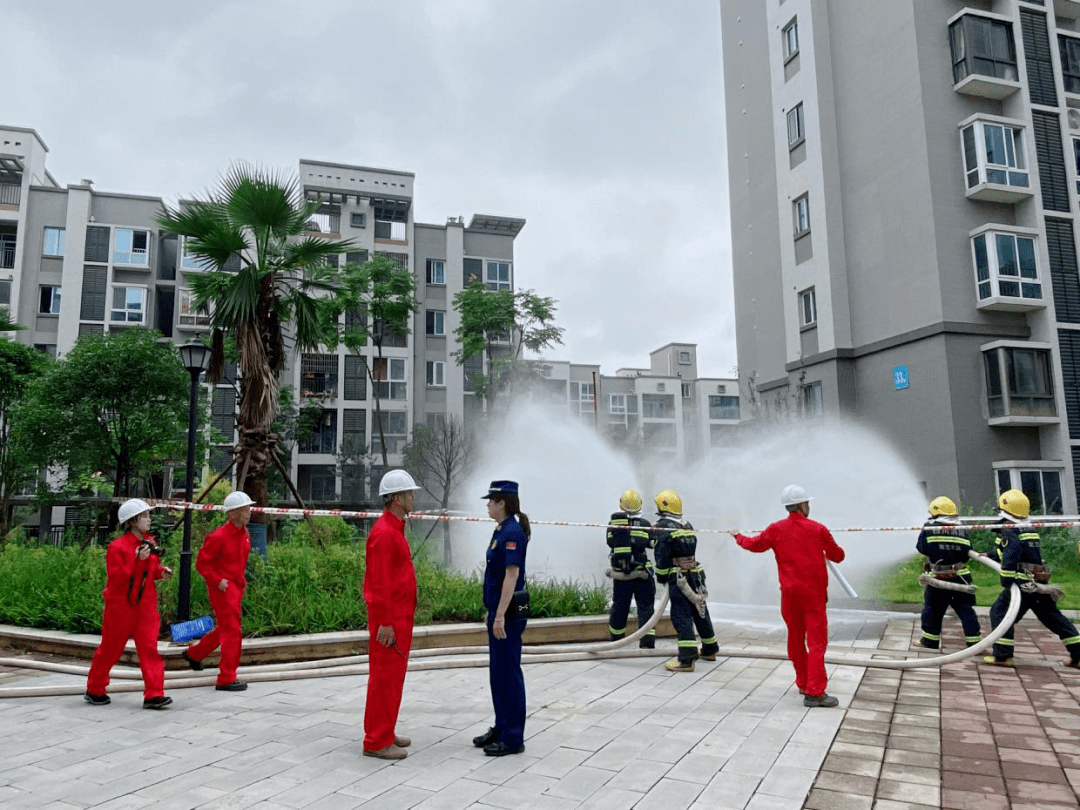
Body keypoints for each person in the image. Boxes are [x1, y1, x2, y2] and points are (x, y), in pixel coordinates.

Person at [730, 484, 845, 707]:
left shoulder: (776, 529)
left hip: (790, 595)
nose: (809, 506)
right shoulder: (818, 529)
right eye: (808, 503)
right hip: (813, 596)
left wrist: (738, 536)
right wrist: (822, 548)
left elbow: (754, 545)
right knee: (816, 642)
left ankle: (803, 682)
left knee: (795, 639)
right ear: (802, 505)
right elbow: (838, 556)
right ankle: (815, 692)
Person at [85, 498, 173, 710]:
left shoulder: (149, 542)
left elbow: (148, 571)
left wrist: (160, 571)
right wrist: (138, 561)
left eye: (148, 515)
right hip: (120, 607)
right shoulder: (118, 547)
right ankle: (95, 688)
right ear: (132, 520)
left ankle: (154, 694)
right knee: (111, 650)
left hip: (145, 605)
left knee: (149, 649)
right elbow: (117, 578)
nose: (149, 519)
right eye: (144, 516)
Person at [362, 469, 422, 760]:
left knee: (392, 678)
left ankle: (385, 729)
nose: (413, 498)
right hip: (390, 619)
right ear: (397, 498)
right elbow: (378, 582)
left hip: (399, 615)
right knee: (384, 679)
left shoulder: (394, 528)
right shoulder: (384, 533)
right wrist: (385, 622)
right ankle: (376, 740)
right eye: (410, 493)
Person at [984, 489, 1080, 668]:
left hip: (1022, 584)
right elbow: (1010, 550)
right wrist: (989, 555)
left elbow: (1012, 555)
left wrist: (1006, 580)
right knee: (1054, 618)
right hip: (1038, 582)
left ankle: (1003, 656)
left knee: (1000, 613)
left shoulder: (1009, 529)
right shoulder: (1027, 528)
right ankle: (1079, 655)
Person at [472, 480, 530, 757]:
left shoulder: (512, 532)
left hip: (507, 615)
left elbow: (512, 575)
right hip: (498, 611)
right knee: (498, 673)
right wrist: (491, 609)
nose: (487, 505)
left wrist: (498, 616)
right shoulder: (500, 530)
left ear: (502, 503)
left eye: (491, 501)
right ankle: (501, 725)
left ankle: (513, 737)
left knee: (509, 673)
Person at [181, 490, 254, 691]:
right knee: (232, 632)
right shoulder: (218, 536)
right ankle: (226, 678)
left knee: (225, 628)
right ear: (232, 514)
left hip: (235, 588)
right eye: (244, 509)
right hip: (222, 589)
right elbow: (201, 564)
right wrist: (218, 580)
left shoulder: (244, 534)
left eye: (249, 508)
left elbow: (239, 562)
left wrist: (240, 584)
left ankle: (194, 654)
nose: (249, 512)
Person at [653, 489, 719, 672]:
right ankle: (710, 648)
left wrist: (660, 576)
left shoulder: (663, 526)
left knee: (681, 616)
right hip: (695, 574)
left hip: (678, 577)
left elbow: (662, 555)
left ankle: (687, 660)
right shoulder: (686, 524)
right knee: (700, 611)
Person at [915, 496, 981, 650]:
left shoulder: (930, 527)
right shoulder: (961, 529)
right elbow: (966, 551)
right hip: (961, 578)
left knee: (932, 609)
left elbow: (922, 548)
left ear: (936, 513)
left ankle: (930, 641)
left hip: (939, 578)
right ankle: (974, 643)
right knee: (966, 610)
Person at [606, 489, 656, 649]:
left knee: (620, 606)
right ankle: (647, 642)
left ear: (621, 505)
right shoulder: (646, 525)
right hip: (642, 573)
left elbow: (610, 543)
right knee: (646, 607)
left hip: (621, 574)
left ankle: (616, 639)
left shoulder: (613, 524)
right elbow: (652, 544)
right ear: (640, 505)